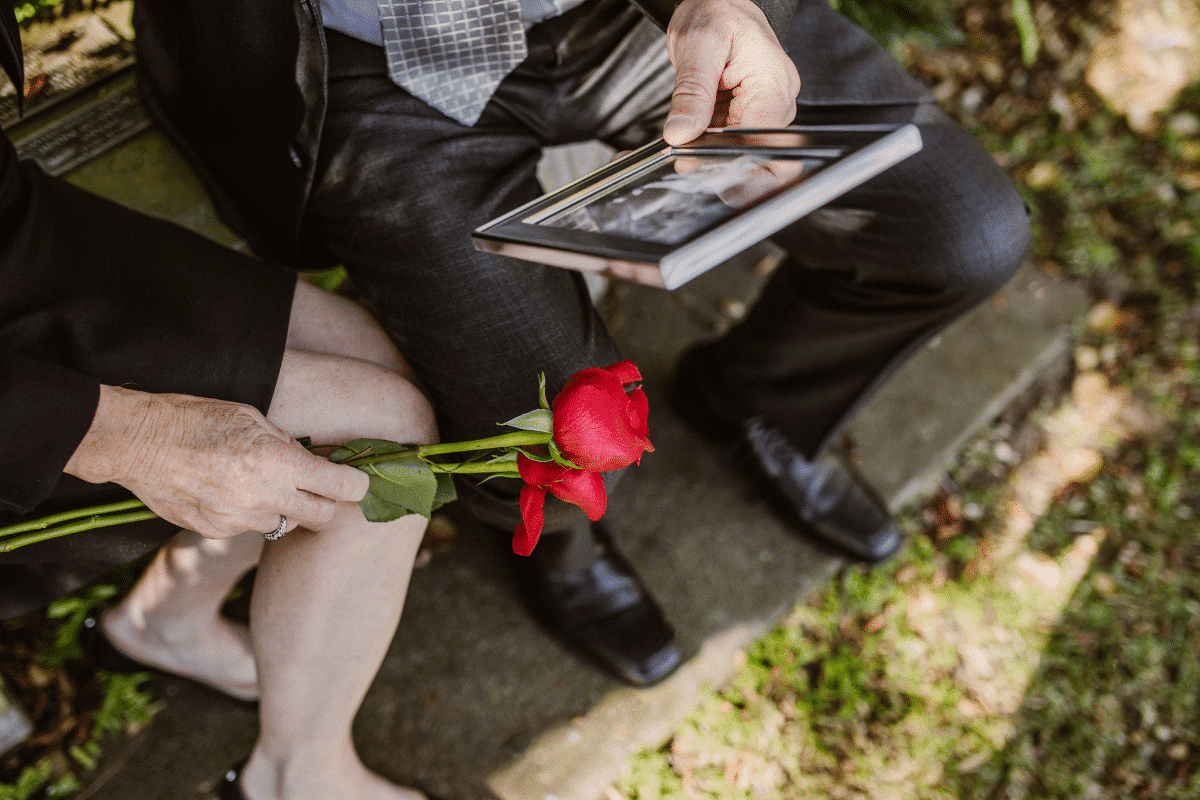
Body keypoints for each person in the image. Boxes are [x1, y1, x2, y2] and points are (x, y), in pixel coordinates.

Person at [131, 0, 1032, 687]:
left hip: (634, 21)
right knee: (554, 420)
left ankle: (756, 397)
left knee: (959, 233)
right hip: (367, 59)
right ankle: (557, 544)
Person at [0, 8, 445, 799]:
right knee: (382, 436)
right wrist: (123, 434)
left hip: (14, 234)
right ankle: (296, 780)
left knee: (367, 359)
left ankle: (166, 620)